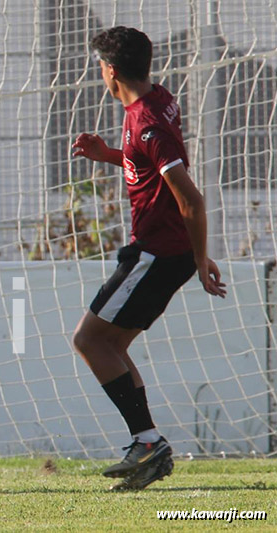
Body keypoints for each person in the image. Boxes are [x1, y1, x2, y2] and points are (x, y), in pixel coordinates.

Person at [71, 27, 227, 491]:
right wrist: (110, 156)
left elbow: (191, 201)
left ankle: (147, 442)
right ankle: (148, 447)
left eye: (100, 65)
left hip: (158, 253)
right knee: (111, 346)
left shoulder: (147, 122)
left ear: (110, 70)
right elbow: (147, 163)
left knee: (89, 340)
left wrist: (201, 260)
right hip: (164, 252)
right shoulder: (155, 99)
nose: (99, 72)